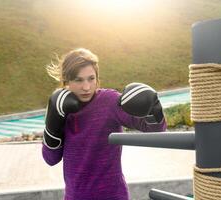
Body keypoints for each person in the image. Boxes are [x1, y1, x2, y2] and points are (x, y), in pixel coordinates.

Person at [42, 48, 167, 200]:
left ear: (97, 78)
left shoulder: (109, 101)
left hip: (112, 196)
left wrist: (154, 108)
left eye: (91, 78)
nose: (86, 87)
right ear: (66, 80)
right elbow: (50, 158)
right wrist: (53, 122)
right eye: (78, 80)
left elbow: (155, 130)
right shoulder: (60, 107)